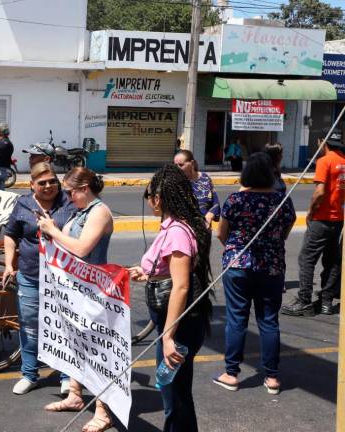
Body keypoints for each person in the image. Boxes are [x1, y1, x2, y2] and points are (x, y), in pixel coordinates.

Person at [127, 164, 212, 432]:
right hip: (171, 322)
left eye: (149, 194)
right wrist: (146, 272)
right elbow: (168, 270)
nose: (149, 200)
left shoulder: (177, 231)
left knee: (175, 395)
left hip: (178, 325)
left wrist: (168, 337)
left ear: (159, 198)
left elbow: (181, 287)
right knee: (171, 388)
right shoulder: (173, 227)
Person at [37, 168, 114, 432]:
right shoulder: (81, 212)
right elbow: (68, 243)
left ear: (84, 189)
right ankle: (74, 394)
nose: (69, 198)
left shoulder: (99, 212)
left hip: (94, 291)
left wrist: (54, 231)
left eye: (71, 192)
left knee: (96, 351)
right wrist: (52, 230)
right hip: (76, 289)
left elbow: (82, 248)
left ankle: (103, 411)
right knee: (74, 344)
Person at [212, 152, 295, 396]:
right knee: (269, 320)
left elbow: (220, 234)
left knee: (237, 319)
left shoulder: (236, 200)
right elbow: (286, 232)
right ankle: (271, 377)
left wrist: (234, 250)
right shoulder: (282, 201)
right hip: (272, 267)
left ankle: (232, 373)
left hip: (238, 266)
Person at [2, 162, 76, 396]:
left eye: (52, 181)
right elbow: (11, 235)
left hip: (64, 279)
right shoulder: (22, 203)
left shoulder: (70, 202)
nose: (48, 186)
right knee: (30, 328)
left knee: (64, 327)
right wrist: (8, 265)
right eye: (42, 183)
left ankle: (66, 376)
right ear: (32, 184)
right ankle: (29, 374)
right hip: (31, 276)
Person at [281, 132, 345, 317]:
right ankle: (326, 301)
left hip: (322, 219)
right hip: (337, 220)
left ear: (322, 142)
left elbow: (319, 192)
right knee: (331, 260)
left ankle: (304, 301)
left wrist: (310, 212)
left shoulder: (325, 161)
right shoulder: (343, 161)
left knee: (306, 259)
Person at [174, 150, 220, 227]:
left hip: (205, 229)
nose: (177, 168)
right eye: (175, 165)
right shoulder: (175, 182)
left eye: (181, 165)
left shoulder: (205, 178)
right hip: (184, 229)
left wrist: (208, 217)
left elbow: (216, 203)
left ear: (191, 163)